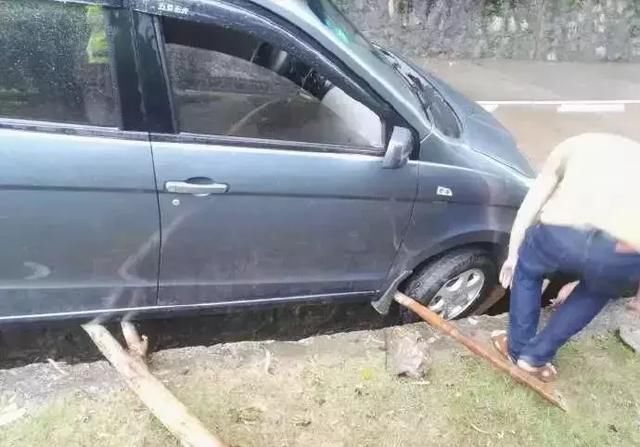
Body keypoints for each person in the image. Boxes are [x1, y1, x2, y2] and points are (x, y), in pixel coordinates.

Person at [492, 133, 640, 382]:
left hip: (561, 234)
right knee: (594, 294)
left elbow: (533, 202)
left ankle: (516, 349)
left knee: (529, 271)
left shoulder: (572, 146)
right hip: (622, 251)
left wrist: (513, 253)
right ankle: (534, 359)